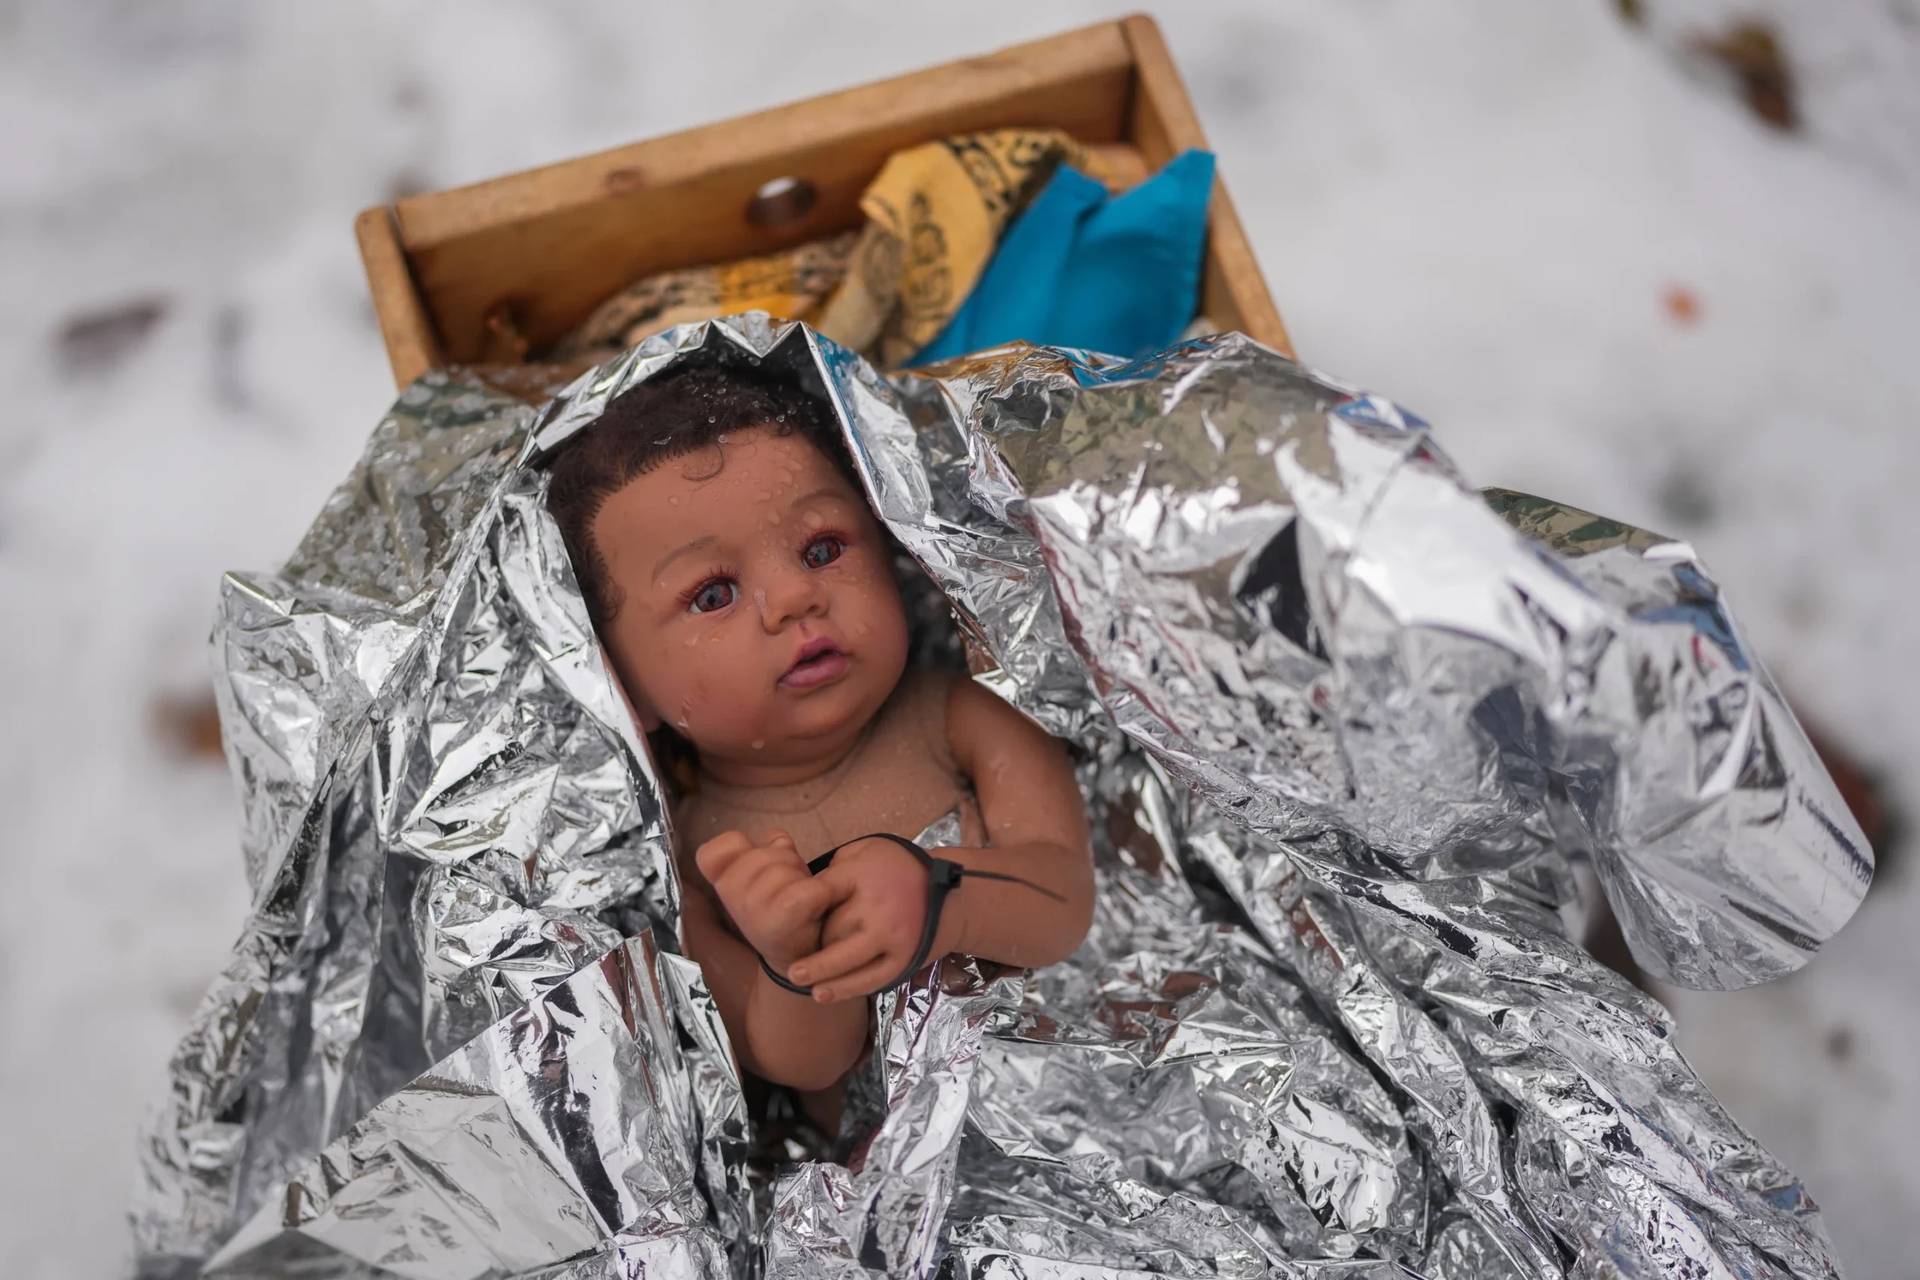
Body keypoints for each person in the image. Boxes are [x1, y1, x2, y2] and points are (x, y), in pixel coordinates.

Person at [545, 361, 1094, 1134]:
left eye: (823, 548)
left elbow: (1065, 901)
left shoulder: (955, 716)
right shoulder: (699, 858)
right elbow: (805, 1066)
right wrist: (791, 965)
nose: (795, 596)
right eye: (713, 594)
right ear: (623, 691)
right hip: (899, 1160)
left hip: (1061, 1090)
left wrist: (944, 897)